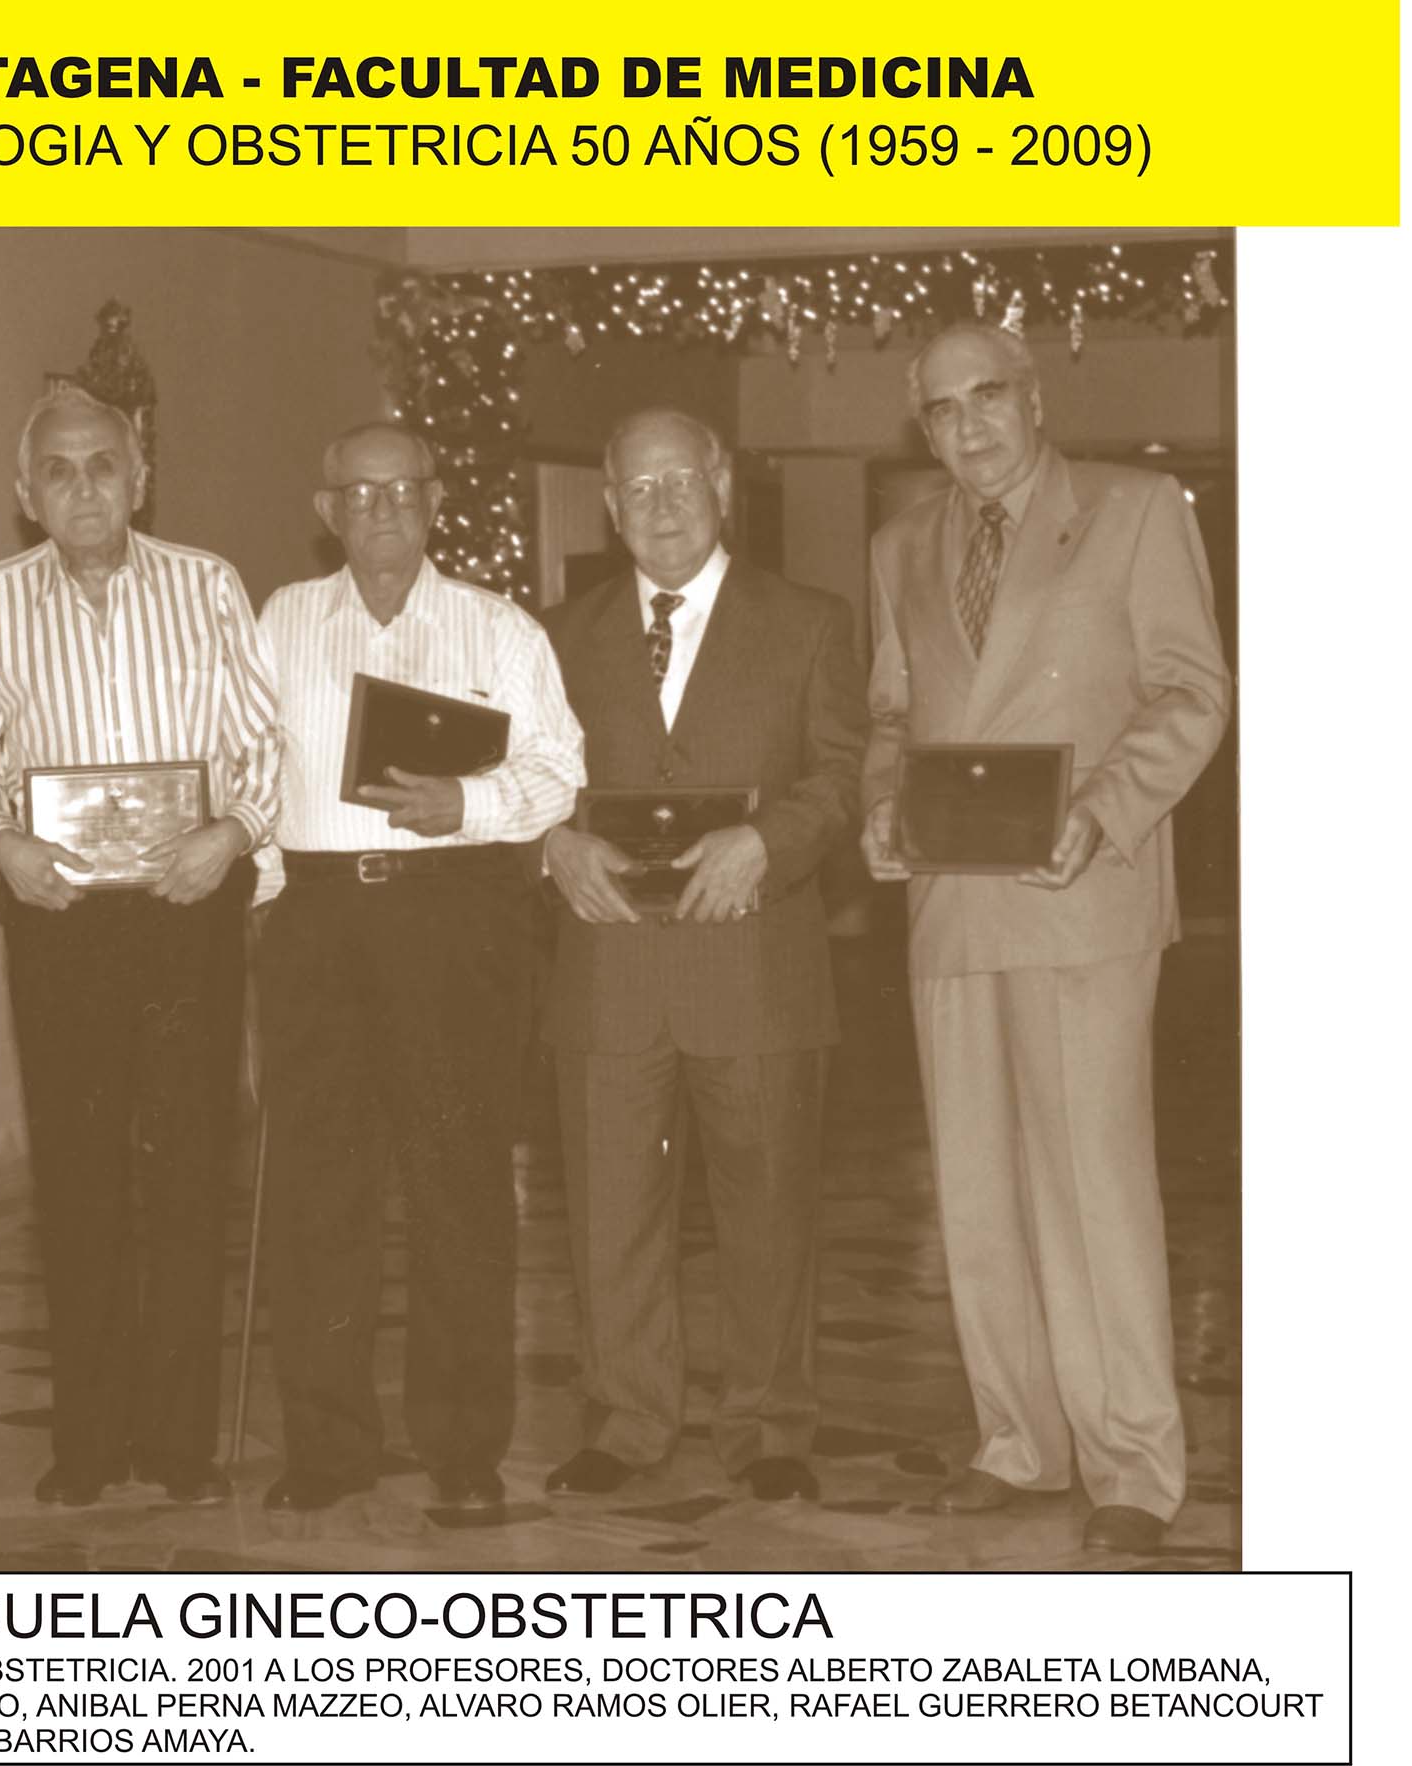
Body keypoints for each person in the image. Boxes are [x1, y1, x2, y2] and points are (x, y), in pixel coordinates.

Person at [864, 323, 1230, 1555]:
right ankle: (1016, 1440)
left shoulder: (1132, 510)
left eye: (987, 397)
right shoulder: (898, 543)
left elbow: (1192, 690)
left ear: (1032, 400)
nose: (967, 424)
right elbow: (891, 709)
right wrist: (880, 805)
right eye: (941, 408)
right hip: (950, 902)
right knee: (974, 1192)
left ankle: (1131, 1462)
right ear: (922, 427)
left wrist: (1104, 807)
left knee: (1092, 1185)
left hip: (1082, 891)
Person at [0, 383, 283, 1507]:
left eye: (102, 466)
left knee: (186, 1173)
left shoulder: (208, 584)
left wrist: (232, 832)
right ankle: (86, 1440)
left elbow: (261, 741)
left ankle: (179, 1441)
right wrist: (2, 845)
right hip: (62, 919)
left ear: (140, 479)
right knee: (78, 1176)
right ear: (24, 492)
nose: (82, 488)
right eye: (58, 470)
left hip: (187, 909)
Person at [254, 422, 586, 1516]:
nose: (384, 509)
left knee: (459, 1188)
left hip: (456, 917)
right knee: (319, 1193)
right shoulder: (279, 621)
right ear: (327, 511)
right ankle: (326, 1446)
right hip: (318, 923)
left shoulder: (499, 628)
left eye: (403, 490)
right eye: (361, 492)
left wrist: (470, 802)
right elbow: (245, 769)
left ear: (436, 503)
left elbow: (559, 770)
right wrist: (264, 904)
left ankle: (462, 1447)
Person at [538, 410, 865, 1504]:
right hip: (609, 966)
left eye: (682, 479)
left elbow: (842, 773)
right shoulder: (556, 635)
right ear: (609, 505)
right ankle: (625, 1418)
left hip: (755, 963)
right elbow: (520, 779)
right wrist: (551, 842)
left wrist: (767, 841)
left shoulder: (809, 621)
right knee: (608, 1213)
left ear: (722, 484)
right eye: (639, 487)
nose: (663, 503)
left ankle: (769, 1424)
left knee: (767, 1209)